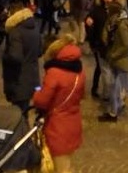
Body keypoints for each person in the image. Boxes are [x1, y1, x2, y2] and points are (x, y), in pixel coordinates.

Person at [33, 34, 86, 173]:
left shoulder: (54, 73)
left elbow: (41, 101)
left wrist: (36, 92)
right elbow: (81, 95)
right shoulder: (79, 71)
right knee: (67, 164)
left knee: (61, 168)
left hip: (58, 128)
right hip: (73, 124)